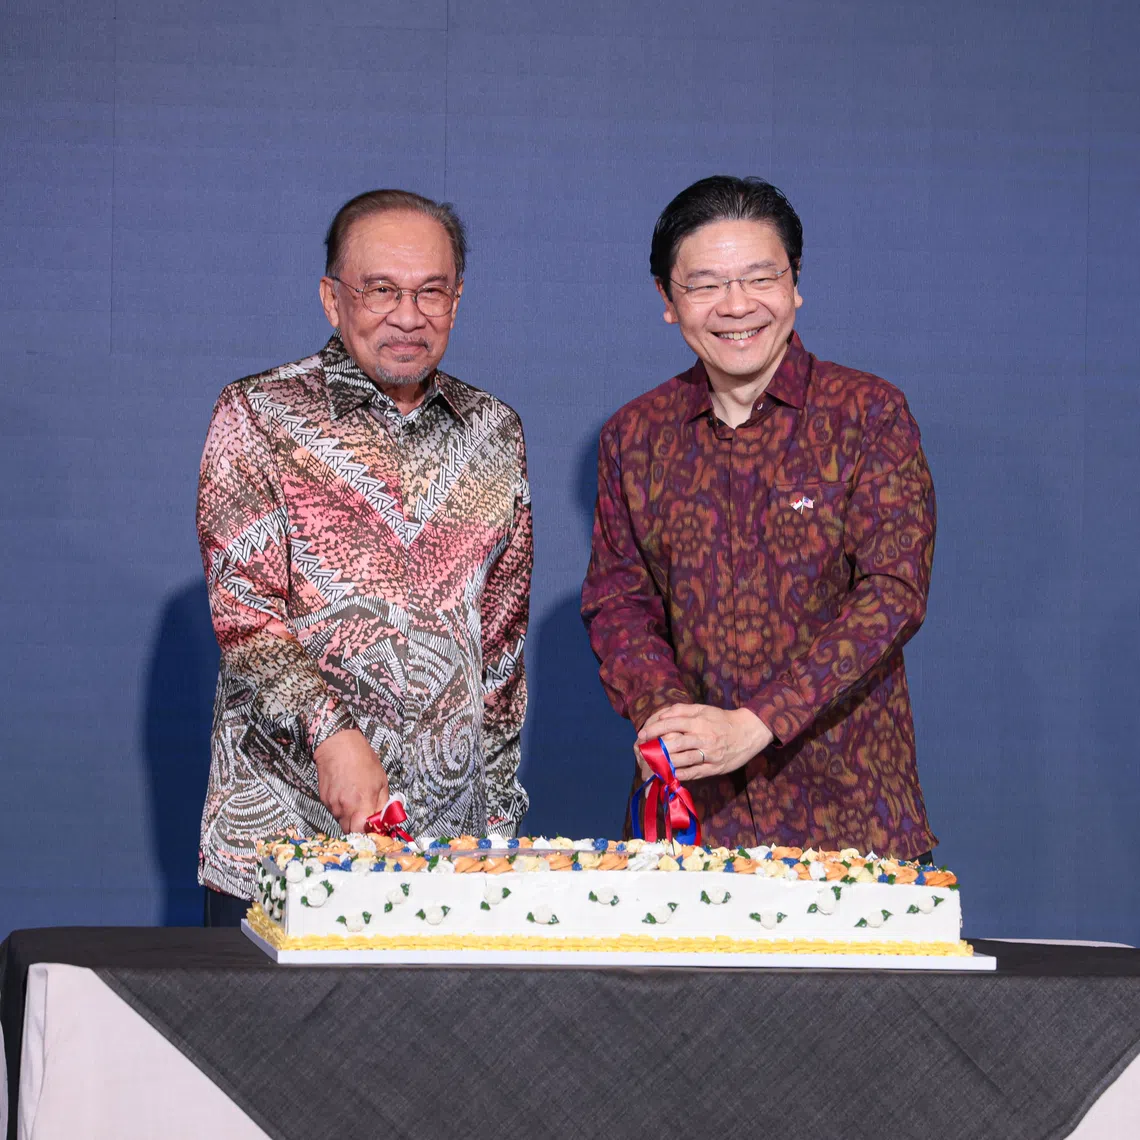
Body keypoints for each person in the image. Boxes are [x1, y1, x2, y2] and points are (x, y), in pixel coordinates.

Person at [197, 189, 532, 924]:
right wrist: (333, 736)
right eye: (380, 289)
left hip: (447, 857)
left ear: (457, 298)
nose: (408, 316)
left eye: (430, 292)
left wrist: (499, 831)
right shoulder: (257, 415)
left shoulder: (494, 432)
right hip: (282, 839)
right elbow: (245, 618)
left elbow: (502, 654)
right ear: (332, 298)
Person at [581, 175, 937, 860]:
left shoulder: (867, 414)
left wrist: (757, 723)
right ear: (667, 300)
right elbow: (617, 600)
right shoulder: (635, 434)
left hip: (849, 816)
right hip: (691, 819)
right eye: (706, 284)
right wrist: (669, 718)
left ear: (795, 284)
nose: (736, 306)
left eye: (760, 278)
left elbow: (893, 593)